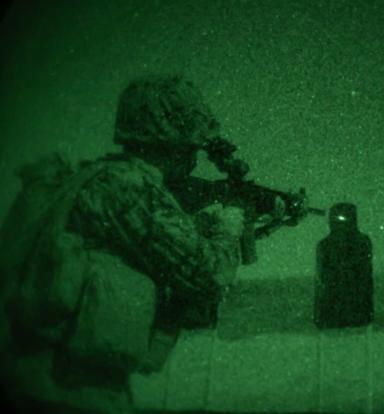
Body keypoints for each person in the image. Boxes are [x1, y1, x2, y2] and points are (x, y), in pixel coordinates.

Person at [0, 75, 247, 413]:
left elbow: (149, 248)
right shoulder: (130, 187)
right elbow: (209, 275)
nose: (194, 156)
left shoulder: (104, 179)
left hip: (55, 382)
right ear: (169, 137)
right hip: (69, 391)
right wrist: (230, 227)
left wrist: (201, 226)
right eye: (191, 145)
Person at [314, 203, 374, 329]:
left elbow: (321, 279)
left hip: (342, 314)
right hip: (349, 314)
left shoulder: (326, 245)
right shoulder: (362, 242)